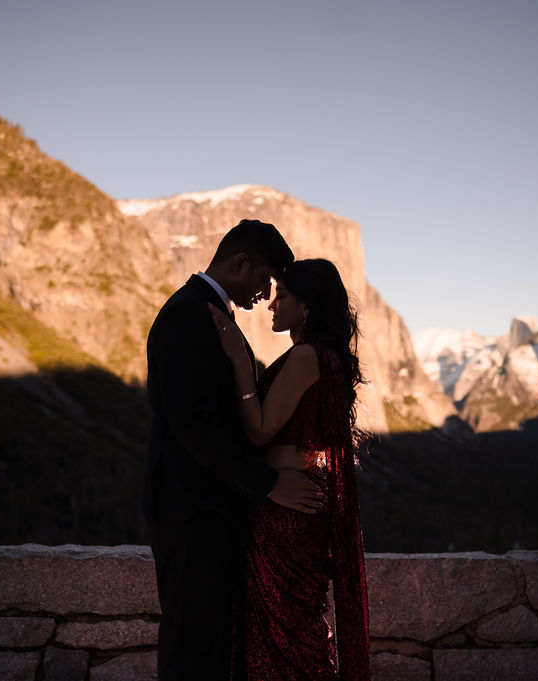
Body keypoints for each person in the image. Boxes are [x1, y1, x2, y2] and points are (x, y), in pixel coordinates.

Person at [144, 219, 325, 681]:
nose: (266, 296)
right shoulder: (190, 315)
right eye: (266, 280)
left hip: (211, 515)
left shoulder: (206, 313)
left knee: (211, 650)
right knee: (193, 650)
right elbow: (196, 427)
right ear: (240, 263)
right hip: (194, 516)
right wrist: (268, 485)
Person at [210, 258, 370, 681]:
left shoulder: (305, 357)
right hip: (302, 508)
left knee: (285, 640)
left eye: (282, 296)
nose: (271, 304)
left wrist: (241, 365)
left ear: (307, 306)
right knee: (298, 633)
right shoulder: (328, 356)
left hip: (285, 516)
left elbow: (261, 432)